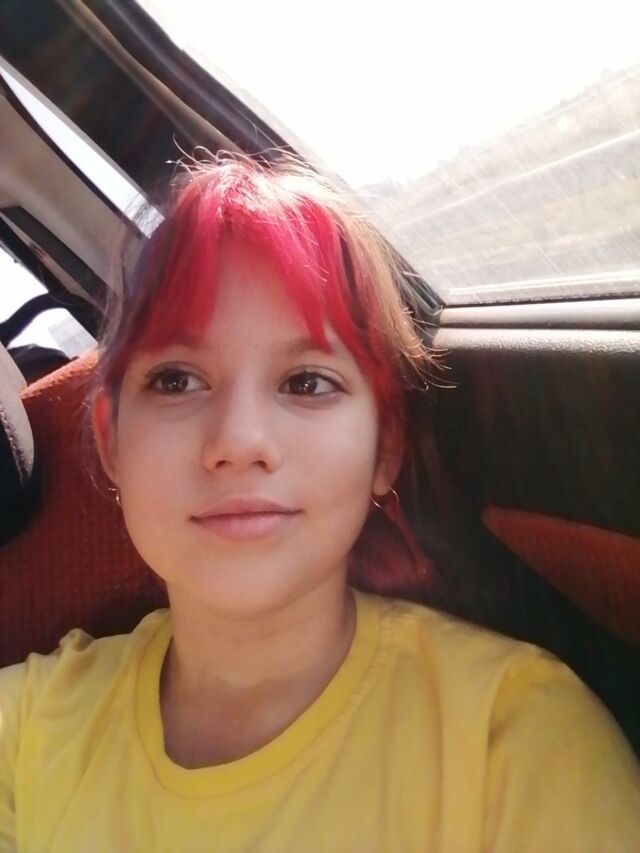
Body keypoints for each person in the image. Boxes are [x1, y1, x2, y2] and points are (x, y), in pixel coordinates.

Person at [0, 154, 638, 852]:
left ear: (384, 445)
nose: (238, 441)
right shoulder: (26, 729)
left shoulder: (510, 741)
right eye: (176, 380)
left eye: (306, 383)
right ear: (112, 440)